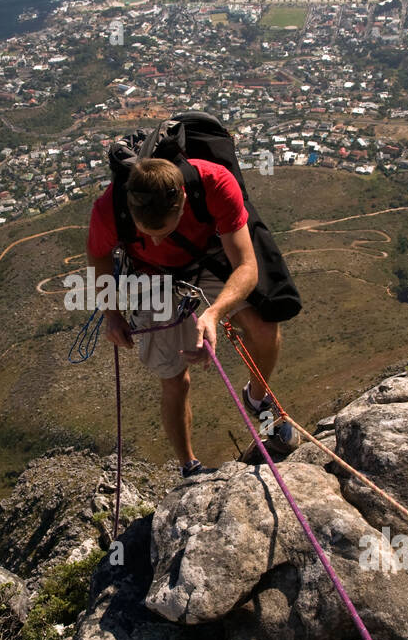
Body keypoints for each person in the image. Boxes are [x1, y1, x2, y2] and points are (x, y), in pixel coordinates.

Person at [86, 155, 299, 476]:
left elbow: (247, 266)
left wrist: (213, 315)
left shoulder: (214, 183)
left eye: (164, 231)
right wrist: (111, 313)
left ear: (184, 199)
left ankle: (257, 401)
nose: (156, 240)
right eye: (147, 233)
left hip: (208, 254)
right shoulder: (109, 209)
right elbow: (98, 255)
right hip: (152, 273)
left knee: (265, 330)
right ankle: (189, 466)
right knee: (174, 379)